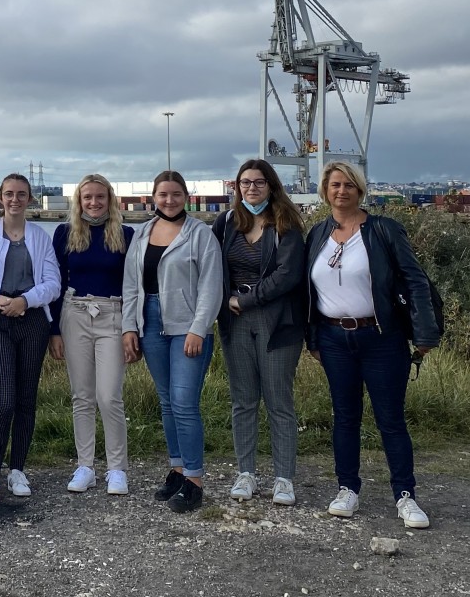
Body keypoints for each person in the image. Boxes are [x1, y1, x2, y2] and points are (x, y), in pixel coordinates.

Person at [306, 161, 440, 529]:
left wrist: (425, 334)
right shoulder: (317, 234)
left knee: (391, 420)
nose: (342, 191)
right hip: (334, 339)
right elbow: (308, 293)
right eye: (335, 185)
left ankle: (405, 495)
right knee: (345, 417)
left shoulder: (384, 230)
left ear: (360, 190)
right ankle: (347, 488)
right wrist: (313, 337)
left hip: (382, 339)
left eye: (349, 185)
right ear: (325, 190)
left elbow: (416, 282)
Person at [121, 170, 223, 513]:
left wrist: (199, 328)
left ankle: (195, 480)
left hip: (187, 324)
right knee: (166, 402)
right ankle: (177, 469)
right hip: (149, 322)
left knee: (184, 402)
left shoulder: (201, 235)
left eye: (176, 194)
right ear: (154, 197)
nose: (169, 200)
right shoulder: (142, 234)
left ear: (186, 197)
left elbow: (211, 286)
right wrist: (128, 328)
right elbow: (131, 286)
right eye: (163, 194)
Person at [214, 159, 307, 506]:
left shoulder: (286, 223)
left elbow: (288, 275)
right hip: (235, 321)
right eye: (245, 182)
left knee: (278, 400)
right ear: (237, 187)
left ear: (271, 186)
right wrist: (224, 301)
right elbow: (212, 267)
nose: (251, 188)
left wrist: (247, 300)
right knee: (243, 400)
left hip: (276, 321)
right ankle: (246, 473)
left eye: (259, 182)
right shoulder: (226, 223)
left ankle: (284, 478)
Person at [0, 173, 60, 505]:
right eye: (9, 194)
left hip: (32, 321)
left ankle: (17, 469)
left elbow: (53, 283)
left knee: (25, 400)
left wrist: (26, 301)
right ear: (0, 198)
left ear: (29, 198)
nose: (15, 199)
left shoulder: (39, 236)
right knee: (4, 400)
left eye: (21, 194)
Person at [49, 174, 134, 497]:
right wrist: (54, 330)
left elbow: (132, 284)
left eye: (100, 197)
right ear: (79, 201)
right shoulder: (66, 234)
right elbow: (55, 283)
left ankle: (117, 469)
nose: (94, 203)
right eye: (88, 198)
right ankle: (86, 465)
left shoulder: (125, 235)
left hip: (113, 314)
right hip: (75, 312)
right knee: (81, 396)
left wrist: (131, 328)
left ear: (110, 200)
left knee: (109, 396)